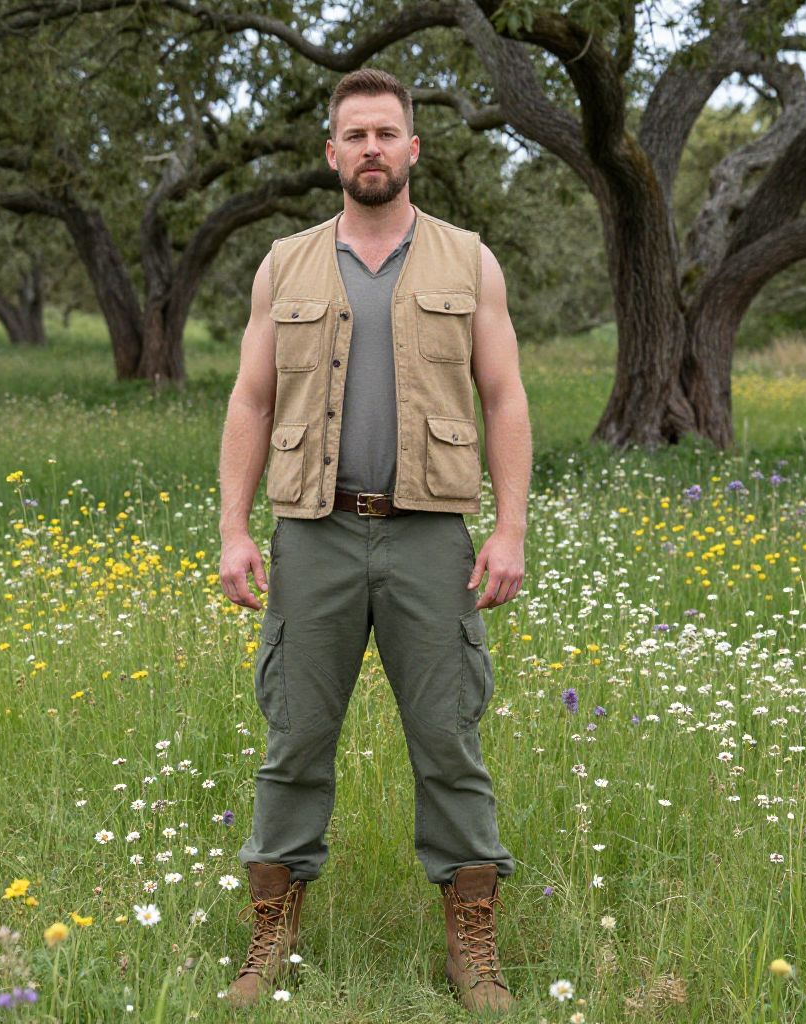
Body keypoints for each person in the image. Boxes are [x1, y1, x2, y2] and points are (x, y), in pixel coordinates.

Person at [217, 67, 531, 1015]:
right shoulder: (285, 262)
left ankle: (471, 947)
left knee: (448, 738)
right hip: (311, 534)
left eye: (386, 133)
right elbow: (251, 397)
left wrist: (509, 527)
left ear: (412, 149)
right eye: (354, 135)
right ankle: (272, 934)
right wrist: (234, 527)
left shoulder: (469, 261)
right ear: (331, 153)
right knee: (295, 738)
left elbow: (505, 395)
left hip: (431, 538)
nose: (371, 150)